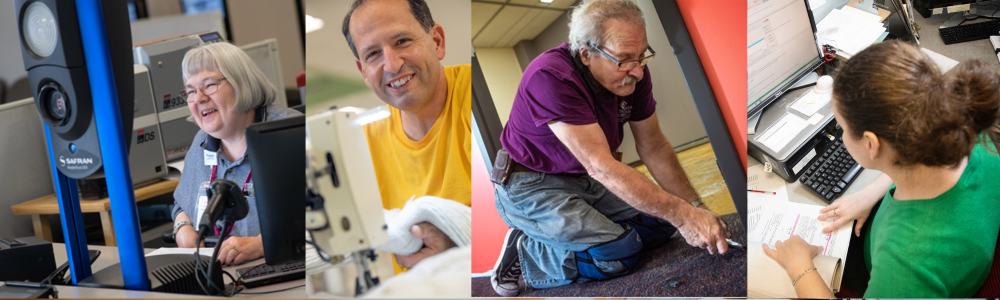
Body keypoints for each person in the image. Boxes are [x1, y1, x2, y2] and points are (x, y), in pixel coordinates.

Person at [489, 0, 731, 296]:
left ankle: (575, 236)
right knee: (617, 256)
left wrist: (693, 209)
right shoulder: (550, 76)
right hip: (530, 185)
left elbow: (654, 145)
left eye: (641, 56)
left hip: (581, 176)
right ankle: (526, 250)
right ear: (586, 54)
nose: (638, 71)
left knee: (662, 223)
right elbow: (601, 166)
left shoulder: (634, 75)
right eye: (625, 59)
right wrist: (683, 216)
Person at [762, 40, 1000, 298]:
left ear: (871, 144)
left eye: (842, 129)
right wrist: (871, 192)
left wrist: (799, 266)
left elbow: (905, 267)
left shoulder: (906, 261)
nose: (842, 136)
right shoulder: (972, 134)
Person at [342, 0, 472, 273]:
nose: (391, 64)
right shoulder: (360, 144)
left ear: (437, 42)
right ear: (363, 71)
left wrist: (455, 242)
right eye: (373, 54)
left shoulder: (478, 98)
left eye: (402, 41)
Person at [171, 42, 303, 266]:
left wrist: (261, 244)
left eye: (209, 85)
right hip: (218, 272)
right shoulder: (201, 143)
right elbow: (181, 203)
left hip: (282, 270)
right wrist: (181, 227)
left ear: (241, 83)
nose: (199, 98)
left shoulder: (291, 134)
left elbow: (324, 214)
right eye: (191, 91)